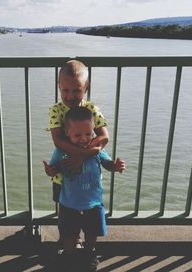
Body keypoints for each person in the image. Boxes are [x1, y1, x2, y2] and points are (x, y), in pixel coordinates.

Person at [44, 107, 125, 271]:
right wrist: (50, 170)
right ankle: (68, 255)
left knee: (91, 234)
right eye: (77, 135)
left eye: (88, 134)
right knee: (68, 235)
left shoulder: (96, 151)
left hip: (93, 203)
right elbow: (55, 168)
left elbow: (107, 163)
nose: (84, 139)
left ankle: (89, 255)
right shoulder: (61, 151)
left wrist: (115, 166)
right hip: (68, 204)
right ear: (67, 132)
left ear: (93, 132)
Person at [43, 59, 109, 249]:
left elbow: (104, 137)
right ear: (59, 87)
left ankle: (81, 239)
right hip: (62, 173)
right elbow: (59, 141)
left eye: (76, 90)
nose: (70, 96)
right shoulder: (56, 110)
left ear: (86, 87)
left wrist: (82, 156)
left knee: (87, 208)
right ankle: (69, 238)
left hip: (86, 177)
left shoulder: (92, 109)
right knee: (64, 208)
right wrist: (89, 151)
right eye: (65, 90)